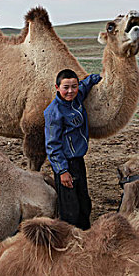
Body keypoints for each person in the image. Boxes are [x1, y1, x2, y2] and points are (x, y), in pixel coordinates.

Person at [44, 69, 102, 230]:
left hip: (78, 161)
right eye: (66, 87)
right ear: (57, 87)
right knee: (70, 209)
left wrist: (96, 78)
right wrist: (62, 171)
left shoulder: (76, 99)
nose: (70, 91)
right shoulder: (53, 112)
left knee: (84, 202)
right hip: (65, 163)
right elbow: (52, 144)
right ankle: (70, 244)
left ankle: (85, 237)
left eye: (74, 86)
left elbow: (85, 85)